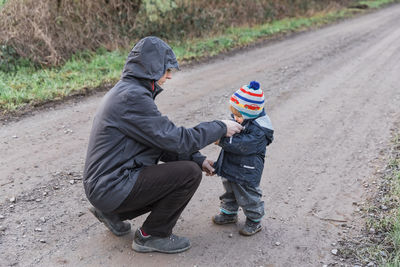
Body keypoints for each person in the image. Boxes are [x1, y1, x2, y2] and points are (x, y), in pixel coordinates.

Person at [83, 36, 243, 254]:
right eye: (166, 69)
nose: (168, 75)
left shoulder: (129, 91)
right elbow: (177, 139)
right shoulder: (133, 98)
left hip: (106, 184)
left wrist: (199, 158)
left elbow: (159, 142)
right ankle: (152, 235)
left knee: (189, 166)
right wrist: (220, 127)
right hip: (110, 185)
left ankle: (112, 214)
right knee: (188, 174)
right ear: (151, 67)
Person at [212, 81, 274, 236]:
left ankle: (254, 220)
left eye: (238, 115)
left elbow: (243, 145)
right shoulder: (243, 119)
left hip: (247, 169)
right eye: (233, 114)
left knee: (247, 194)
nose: (235, 118)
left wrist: (223, 141)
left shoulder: (259, 130)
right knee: (230, 190)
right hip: (231, 165)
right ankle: (228, 213)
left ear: (250, 113)